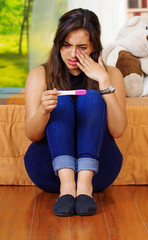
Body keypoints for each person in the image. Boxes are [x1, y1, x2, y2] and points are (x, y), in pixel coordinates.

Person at [24, 8, 127, 217]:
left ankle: (83, 187)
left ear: (94, 47)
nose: (72, 54)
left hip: (98, 172)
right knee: (58, 99)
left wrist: (104, 83)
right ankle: (67, 187)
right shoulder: (40, 75)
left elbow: (117, 130)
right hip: (50, 170)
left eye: (81, 47)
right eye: (66, 45)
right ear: (58, 44)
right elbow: (32, 135)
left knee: (90, 97)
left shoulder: (112, 74)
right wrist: (44, 110)